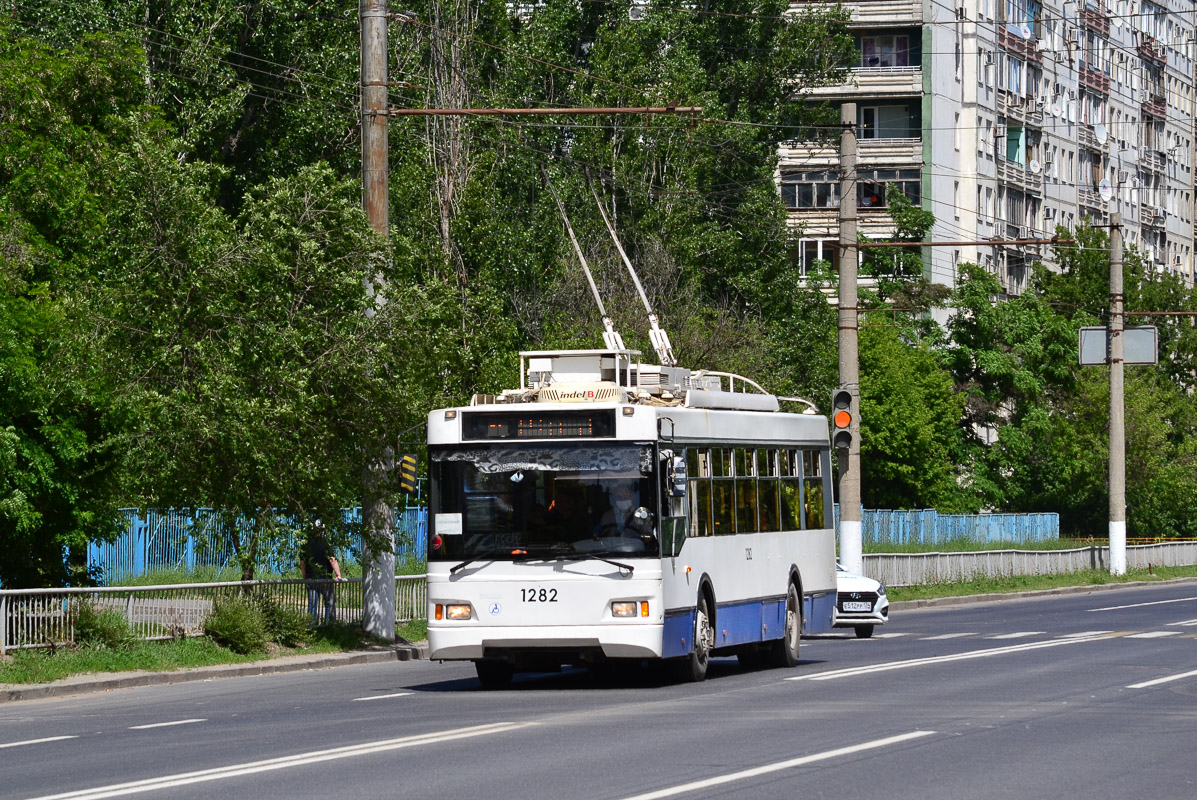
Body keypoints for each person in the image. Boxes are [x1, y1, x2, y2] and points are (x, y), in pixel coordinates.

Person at [300, 521, 342, 624]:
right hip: (325, 579)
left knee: (312, 604)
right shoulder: (325, 543)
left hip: (311, 579)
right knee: (329, 603)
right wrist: (338, 575)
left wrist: (305, 576)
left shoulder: (305, 545)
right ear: (321, 531)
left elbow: (302, 563)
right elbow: (332, 560)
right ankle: (328, 625)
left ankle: (312, 625)